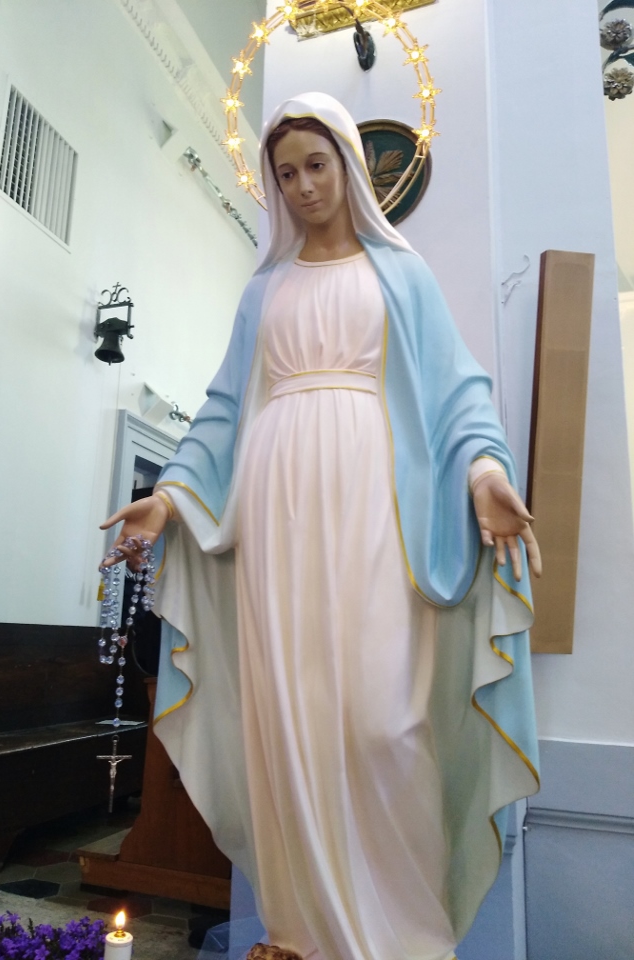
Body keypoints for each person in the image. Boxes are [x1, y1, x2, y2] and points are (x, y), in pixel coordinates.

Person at [101, 92, 541, 960]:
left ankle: (402, 938)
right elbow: (222, 411)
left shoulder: (401, 277)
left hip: (375, 506)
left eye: (316, 165)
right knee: (287, 717)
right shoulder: (263, 292)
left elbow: (457, 394)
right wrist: (171, 495)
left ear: (347, 165)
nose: (302, 186)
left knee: (384, 720)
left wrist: (486, 473)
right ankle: (299, 933)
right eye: (286, 173)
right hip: (275, 513)